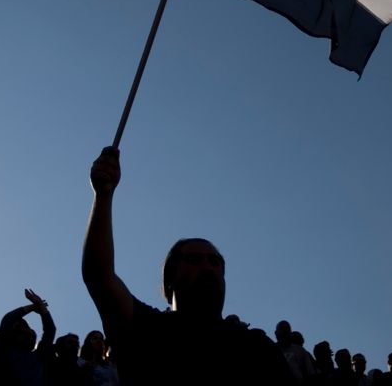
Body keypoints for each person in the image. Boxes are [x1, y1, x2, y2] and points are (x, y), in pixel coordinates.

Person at [81, 146, 290, 386]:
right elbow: (99, 276)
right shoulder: (146, 328)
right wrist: (104, 196)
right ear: (169, 278)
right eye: (194, 260)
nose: (207, 267)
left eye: (215, 262)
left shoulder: (256, 345)